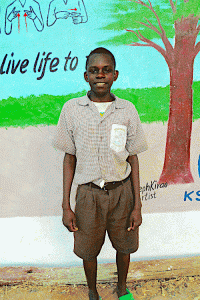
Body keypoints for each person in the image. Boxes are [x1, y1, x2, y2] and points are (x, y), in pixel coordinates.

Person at [52, 47, 148, 300]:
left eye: (106, 70)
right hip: (88, 195)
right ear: (86, 76)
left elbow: (133, 158)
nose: (100, 75)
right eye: (94, 71)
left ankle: (121, 288)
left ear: (115, 75)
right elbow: (68, 158)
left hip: (121, 193)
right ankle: (93, 291)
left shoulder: (127, 111)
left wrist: (137, 205)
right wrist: (66, 205)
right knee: (88, 250)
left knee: (124, 246)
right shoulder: (72, 110)